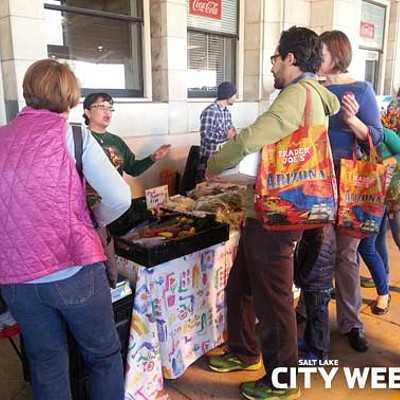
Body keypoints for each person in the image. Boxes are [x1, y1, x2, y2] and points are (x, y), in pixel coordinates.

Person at [206, 26, 340, 400]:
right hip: (268, 212)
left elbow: (252, 138)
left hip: (276, 216)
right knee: (241, 287)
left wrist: (214, 163)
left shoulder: (297, 94)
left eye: (275, 59)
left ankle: (281, 381)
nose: (273, 66)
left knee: (275, 300)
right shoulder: (311, 95)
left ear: (291, 59)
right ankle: (244, 351)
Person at [0, 59, 131, 400]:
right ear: (72, 98)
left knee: (45, 362)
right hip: (73, 269)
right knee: (102, 356)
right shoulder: (74, 136)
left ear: (28, 93)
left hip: (16, 279)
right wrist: (95, 221)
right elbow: (119, 198)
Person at [318, 30, 383, 352]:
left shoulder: (361, 89)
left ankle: (351, 322)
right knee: (315, 250)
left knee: (345, 254)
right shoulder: (311, 87)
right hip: (313, 182)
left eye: (322, 52)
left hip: (349, 182)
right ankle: (309, 309)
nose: (317, 57)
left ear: (336, 55)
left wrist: (353, 119)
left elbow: (377, 136)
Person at [82, 92, 171, 234]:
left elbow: (133, 169)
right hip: (88, 210)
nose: (107, 112)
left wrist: (153, 157)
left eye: (110, 108)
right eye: (101, 107)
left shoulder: (116, 141)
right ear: (87, 112)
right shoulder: (81, 139)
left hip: (114, 204)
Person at [358, 126, 400, 313]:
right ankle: (383, 279)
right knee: (378, 240)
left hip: (393, 194)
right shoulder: (352, 137)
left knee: (395, 238)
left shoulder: (382, 132)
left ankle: (384, 290)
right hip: (373, 197)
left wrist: (388, 161)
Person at [196, 81, 237, 182]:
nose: (235, 97)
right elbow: (206, 135)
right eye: (234, 94)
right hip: (209, 159)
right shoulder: (210, 111)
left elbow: (231, 131)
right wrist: (226, 136)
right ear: (228, 95)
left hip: (221, 157)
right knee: (207, 192)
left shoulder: (226, 112)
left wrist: (235, 135)